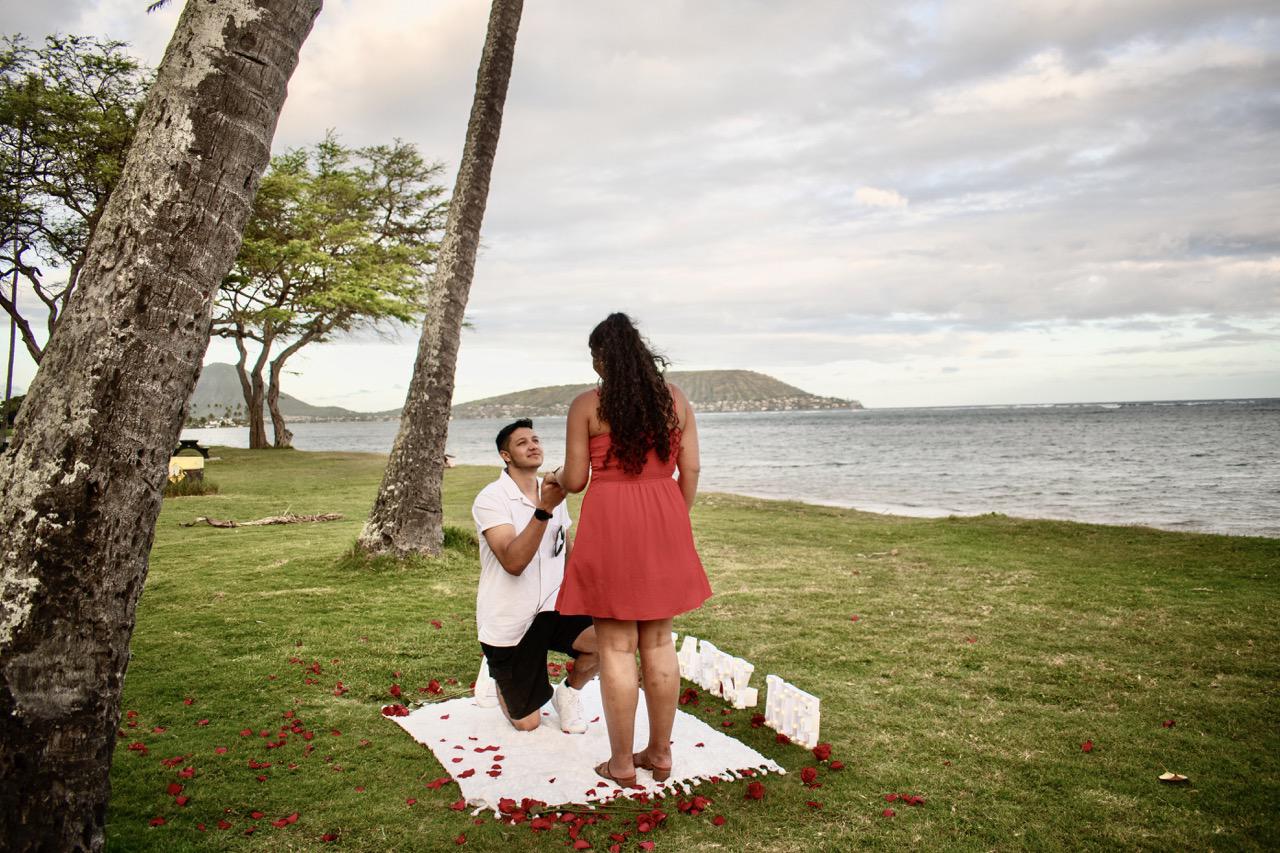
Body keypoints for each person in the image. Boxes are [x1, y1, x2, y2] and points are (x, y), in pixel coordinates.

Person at [546, 313, 712, 786]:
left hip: (612, 523)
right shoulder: (675, 400)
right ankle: (660, 755)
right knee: (659, 642)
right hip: (664, 515)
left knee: (617, 647)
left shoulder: (587, 406)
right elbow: (692, 470)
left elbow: (576, 480)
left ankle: (621, 765)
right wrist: (674, 519)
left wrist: (555, 476)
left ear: (602, 358)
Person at [472, 419, 599, 733]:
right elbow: (513, 562)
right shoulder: (491, 499)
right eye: (522, 442)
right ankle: (496, 672)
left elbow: (563, 543)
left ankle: (568, 694)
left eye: (536, 439)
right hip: (509, 622)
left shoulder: (553, 492)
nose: (533, 445)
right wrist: (543, 510)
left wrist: (585, 588)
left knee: (610, 638)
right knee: (528, 724)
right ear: (505, 455)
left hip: (552, 607)